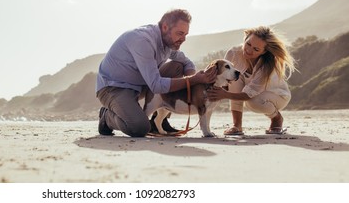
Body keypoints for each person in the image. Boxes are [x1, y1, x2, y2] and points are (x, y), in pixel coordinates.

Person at [95, 9, 217, 137]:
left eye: (185, 34)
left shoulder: (168, 42)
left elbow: (188, 63)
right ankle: (106, 117)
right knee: (139, 127)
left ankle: (158, 121)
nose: (183, 39)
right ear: (165, 27)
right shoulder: (142, 40)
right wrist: (193, 80)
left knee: (178, 66)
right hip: (114, 88)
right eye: (180, 33)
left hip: (141, 84)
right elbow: (156, 85)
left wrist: (192, 82)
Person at [207, 26, 296, 135]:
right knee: (235, 77)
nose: (249, 50)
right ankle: (237, 126)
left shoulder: (267, 65)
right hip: (250, 93)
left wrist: (224, 94)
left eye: (256, 49)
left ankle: (276, 118)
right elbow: (225, 79)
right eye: (248, 44)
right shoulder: (233, 53)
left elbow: (249, 94)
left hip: (277, 96)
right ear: (245, 38)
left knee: (253, 102)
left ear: (263, 52)